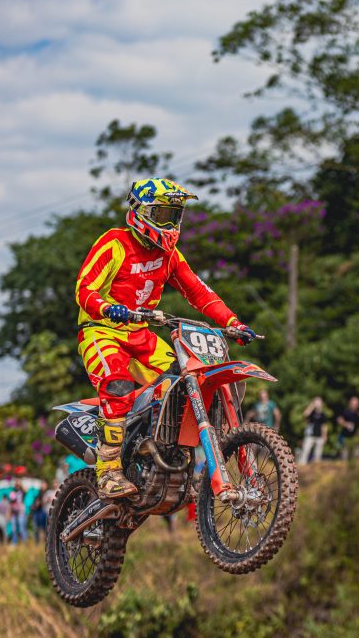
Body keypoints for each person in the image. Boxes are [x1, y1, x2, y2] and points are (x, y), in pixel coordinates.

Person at [75, 178, 256, 499]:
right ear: (139, 212)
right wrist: (109, 309)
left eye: (175, 215)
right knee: (117, 385)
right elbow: (83, 289)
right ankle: (109, 472)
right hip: (101, 331)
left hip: (142, 335)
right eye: (162, 215)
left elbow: (199, 291)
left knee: (187, 381)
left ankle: (165, 451)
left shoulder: (170, 254)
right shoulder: (114, 243)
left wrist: (233, 322)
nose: (170, 224)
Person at [299, 397, 328, 465]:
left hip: (319, 436)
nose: (317, 404)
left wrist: (325, 436)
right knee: (306, 451)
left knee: (318, 454)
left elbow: (324, 426)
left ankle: (316, 467)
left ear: (322, 404)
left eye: (319, 402)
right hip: (310, 435)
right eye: (316, 402)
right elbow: (305, 414)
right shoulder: (311, 413)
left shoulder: (323, 415)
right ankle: (302, 465)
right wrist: (312, 405)